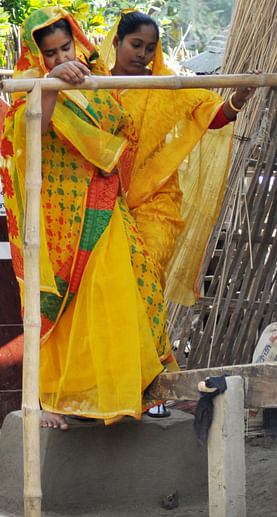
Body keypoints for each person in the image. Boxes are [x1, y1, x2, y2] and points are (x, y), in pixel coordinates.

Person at [0, 7, 175, 430]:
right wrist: (53, 86)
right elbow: (29, 133)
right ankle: (59, 401)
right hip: (61, 223)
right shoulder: (32, 87)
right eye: (50, 53)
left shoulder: (98, 85)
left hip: (105, 208)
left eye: (65, 48)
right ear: (37, 56)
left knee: (122, 296)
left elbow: (123, 132)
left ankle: (130, 394)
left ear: (77, 40)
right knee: (66, 310)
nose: (61, 58)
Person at [100, 10, 256, 294]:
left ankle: (144, 337)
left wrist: (238, 98)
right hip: (102, 200)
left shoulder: (163, 85)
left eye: (150, 48)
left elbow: (211, 116)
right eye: (136, 45)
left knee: (145, 271)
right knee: (106, 283)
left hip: (156, 200)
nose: (142, 54)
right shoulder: (93, 86)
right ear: (117, 42)